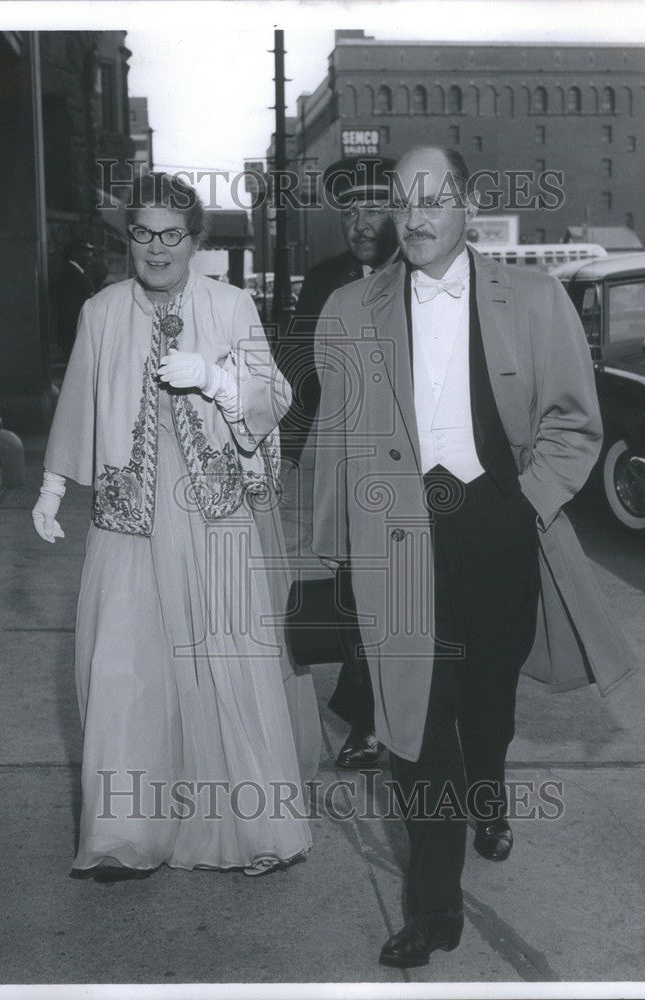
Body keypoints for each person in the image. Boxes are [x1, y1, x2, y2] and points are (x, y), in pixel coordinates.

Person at [311, 146, 634, 967]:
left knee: (486, 696)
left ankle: (488, 791)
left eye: (434, 199)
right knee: (416, 723)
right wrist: (343, 548)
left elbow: (573, 424)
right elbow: (338, 440)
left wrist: (524, 501)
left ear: (467, 206)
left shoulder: (532, 298)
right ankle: (433, 908)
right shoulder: (350, 308)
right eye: (402, 201)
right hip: (397, 538)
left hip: (497, 525)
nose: (414, 218)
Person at [32, 173, 320, 882]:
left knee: (229, 662)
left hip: (212, 515)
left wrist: (218, 382)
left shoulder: (229, 305)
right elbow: (77, 401)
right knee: (125, 665)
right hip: (129, 517)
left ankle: (254, 827)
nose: (155, 249)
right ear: (125, 238)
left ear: (195, 241)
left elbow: (274, 395)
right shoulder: (100, 311)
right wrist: (50, 485)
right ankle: (125, 834)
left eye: (171, 235)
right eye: (141, 233)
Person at [278, 156, 397, 772]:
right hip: (349, 472)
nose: (359, 222)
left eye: (374, 207)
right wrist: (285, 455)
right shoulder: (325, 280)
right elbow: (301, 373)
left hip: (417, 474)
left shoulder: (425, 273)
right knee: (353, 592)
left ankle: (396, 713)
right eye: (349, 211)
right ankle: (368, 719)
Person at [54, 239, 95, 360]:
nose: (89, 256)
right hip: (74, 332)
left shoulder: (76, 272)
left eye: (90, 252)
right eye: (85, 251)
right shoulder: (70, 274)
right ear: (74, 253)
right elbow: (72, 307)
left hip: (75, 331)